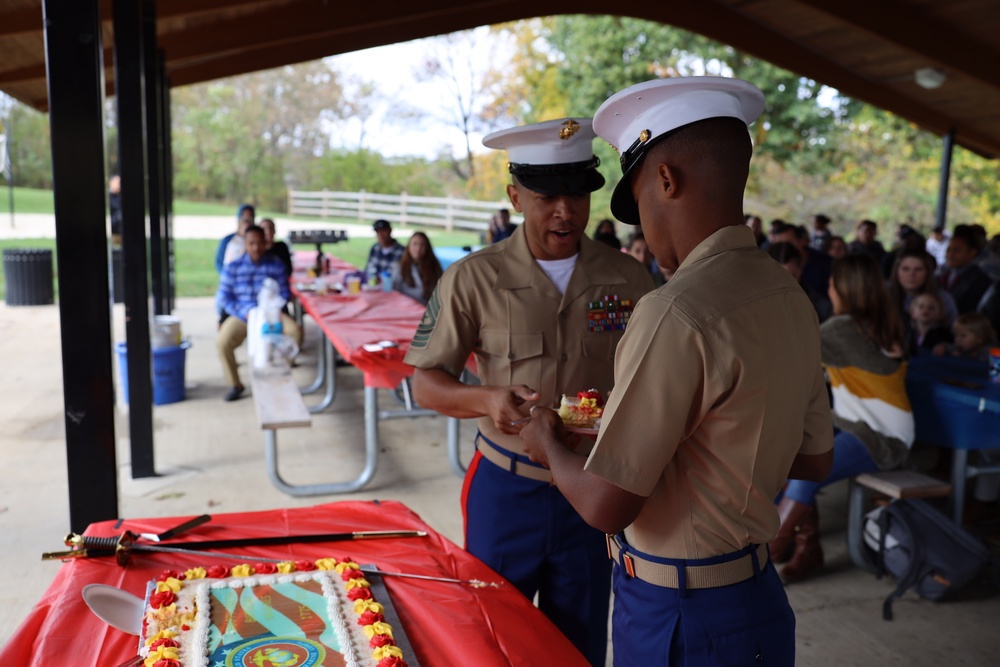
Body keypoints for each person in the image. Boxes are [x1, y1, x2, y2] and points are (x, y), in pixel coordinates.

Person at [520, 78, 833, 666]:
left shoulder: (675, 310)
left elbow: (606, 506)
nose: (643, 226)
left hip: (680, 611)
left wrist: (545, 445)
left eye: (638, 202)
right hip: (758, 597)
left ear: (665, 180)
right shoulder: (787, 295)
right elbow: (814, 460)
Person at [404, 116, 654, 666]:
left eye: (577, 193)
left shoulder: (632, 281)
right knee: (491, 635)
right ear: (516, 196)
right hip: (505, 489)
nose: (565, 210)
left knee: (580, 638)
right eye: (547, 196)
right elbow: (426, 382)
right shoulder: (472, 278)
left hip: (591, 492)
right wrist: (487, 399)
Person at [772, 254, 913, 583]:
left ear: (847, 290)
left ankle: (764, 555)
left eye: (833, 284)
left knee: (805, 471)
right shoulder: (880, 322)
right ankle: (805, 549)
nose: (829, 290)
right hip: (869, 426)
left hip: (878, 438)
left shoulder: (842, 330)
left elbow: (787, 352)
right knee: (790, 454)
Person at [215, 225, 301, 402]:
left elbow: (284, 293)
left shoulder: (276, 265)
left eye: (260, 243)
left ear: (266, 243)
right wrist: (244, 312)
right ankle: (235, 384)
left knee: (294, 332)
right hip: (243, 315)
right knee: (223, 342)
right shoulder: (233, 267)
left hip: (270, 315)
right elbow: (225, 297)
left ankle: (279, 374)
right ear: (244, 244)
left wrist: (272, 306)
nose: (256, 248)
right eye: (251, 243)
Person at [887, 248, 959, 328]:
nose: (911, 275)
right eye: (905, 269)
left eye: (918, 269)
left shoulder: (943, 299)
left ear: (927, 273)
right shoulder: (884, 295)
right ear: (896, 271)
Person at [767, 241, 832, 322]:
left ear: (800, 270)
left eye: (792, 277)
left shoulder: (821, 307)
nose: (785, 285)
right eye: (778, 279)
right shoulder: (756, 307)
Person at [939, 226, 993, 314]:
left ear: (972, 252)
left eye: (956, 251)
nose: (950, 255)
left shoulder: (980, 281)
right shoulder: (943, 275)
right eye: (948, 250)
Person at [771, 221, 832, 299]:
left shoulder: (826, 264)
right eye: (778, 246)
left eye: (788, 243)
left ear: (802, 241)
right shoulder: (772, 266)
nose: (784, 249)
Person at [391, 231, 443, 305]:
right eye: (415, 244)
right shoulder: (399, 267)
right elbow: (394, 292)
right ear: (408, 246)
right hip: (406, 308)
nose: (418, 248)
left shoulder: (434, 266)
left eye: (422, 245)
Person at [934, 311, 998, 362]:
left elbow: (996, 376)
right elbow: (951, 347)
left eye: (963, 336)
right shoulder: (962, 348)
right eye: (956, 335)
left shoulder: (995, 354)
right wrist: (943, 347)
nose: (957, 339)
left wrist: (961, 360)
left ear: (980, 338)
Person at [906, 292, 952, 357]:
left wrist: (944, 346)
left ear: (940, 314)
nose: (926, 310)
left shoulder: (943, 333)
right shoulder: (908, 332)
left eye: (931, 308)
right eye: (921, 307)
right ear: (912, 313)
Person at [216, 204, 255, 273]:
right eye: (244, 216)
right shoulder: (228, 239)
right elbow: (219, 262)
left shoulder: (256, 241)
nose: (247, 218)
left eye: (250, 216)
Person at [364, 219, 405, 284]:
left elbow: (399, 277)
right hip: (374, 287)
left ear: (390, 230)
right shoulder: (375, 248)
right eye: (378, 232)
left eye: (383, 231)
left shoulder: (402, 251)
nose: (381, 234)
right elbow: (368, 269)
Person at [108, 174, 123, 245]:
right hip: (112, 232)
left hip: (122, 231)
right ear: (111, 183)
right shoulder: (108, 197)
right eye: (117, 183)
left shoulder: (121, 196)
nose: (119, 185)